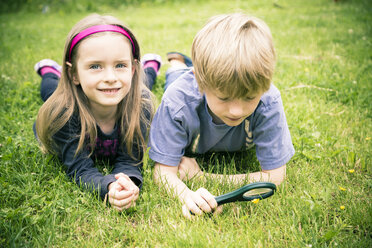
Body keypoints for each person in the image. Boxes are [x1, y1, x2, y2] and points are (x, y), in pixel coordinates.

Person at [148, 13, 295, 218]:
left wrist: (201, 177)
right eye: (224, 98)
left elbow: (276, 176)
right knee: (174, 78)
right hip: (184, 83)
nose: (237, 111)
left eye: (249, 97)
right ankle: (177, 64)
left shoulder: (268, 100)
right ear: (201, 82)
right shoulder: (178, 101)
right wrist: (187, 196)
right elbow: (163, 172)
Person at [34, 14, 161, 212]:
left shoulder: (140, 107)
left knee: (143, 85)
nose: (110, 77)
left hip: (130, 85)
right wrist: (106, 187)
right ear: (73, 73)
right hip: (70, 99)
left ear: (133, 68)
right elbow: (80, 168)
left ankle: (151, 66)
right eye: (95, 66)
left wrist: (126, 184)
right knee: (51, 90)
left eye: (120, 65)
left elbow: (129, 160)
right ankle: (49, 71)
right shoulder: (63, 114)